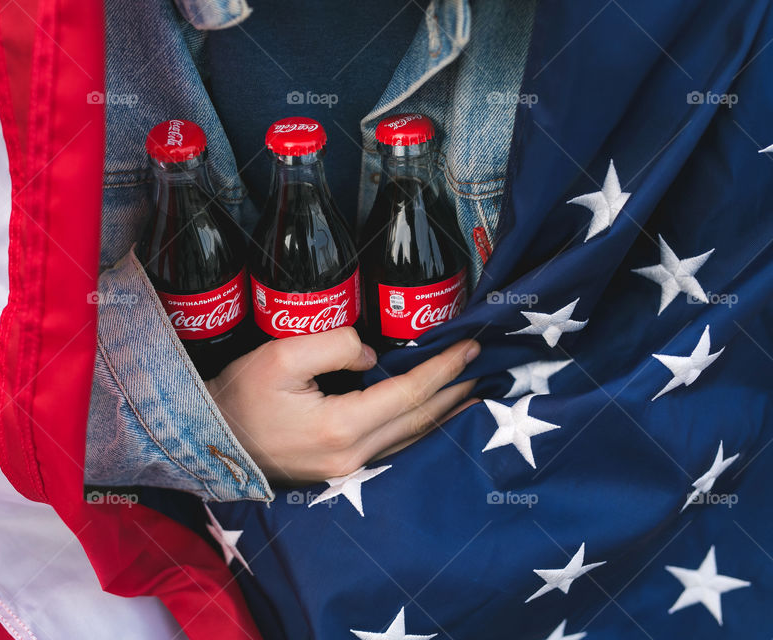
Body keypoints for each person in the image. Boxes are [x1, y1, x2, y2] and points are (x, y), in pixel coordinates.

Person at [85, 0, 530, 502]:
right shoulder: (76, 27)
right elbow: (20, 365)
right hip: (212, 510)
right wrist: (211, 424)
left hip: (477, 444)